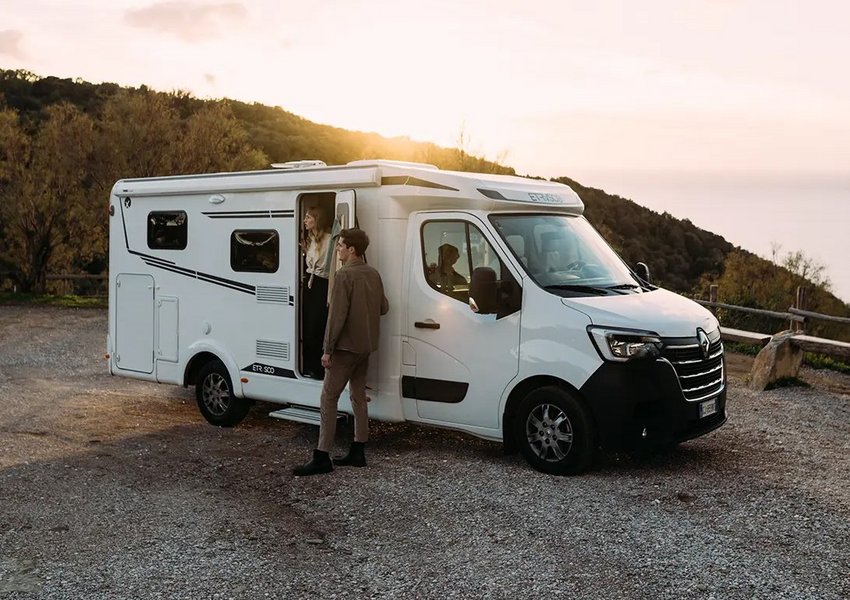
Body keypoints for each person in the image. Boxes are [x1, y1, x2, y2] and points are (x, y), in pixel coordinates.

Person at [293, 228, 389, 476]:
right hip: (366, 346)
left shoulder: (344, 276)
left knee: (328, 398)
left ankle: (322, 456)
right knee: (358, 397)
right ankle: (358, 450)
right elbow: (384, 307)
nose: (337, 249)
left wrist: (327, 350)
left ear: (352, 250)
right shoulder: (374, 274)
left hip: (345, 348)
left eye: (340, 246)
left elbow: (336, 318)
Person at [300, 206, 331, 378]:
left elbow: (325, 266)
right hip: (310, 283)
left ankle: (317, 367)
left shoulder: (328, 239)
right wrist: (306, 252)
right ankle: (310, 364)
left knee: (317, 325)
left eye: (308, 217)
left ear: (316, 220)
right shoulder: (312, 239)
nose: (305, 220)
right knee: (307, 324)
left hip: (321, 284)